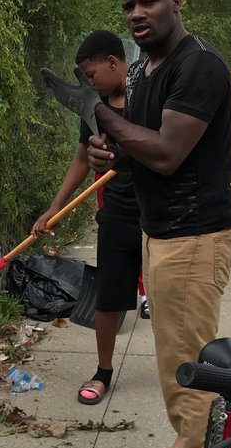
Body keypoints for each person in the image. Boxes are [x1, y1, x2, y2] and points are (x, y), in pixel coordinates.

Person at [87, 0, 231, 448]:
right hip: (164, 232)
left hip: (195, 236)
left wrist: (98, 112)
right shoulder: (150, 70)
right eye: (128, 7)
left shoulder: (197, 66)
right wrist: (112, 154)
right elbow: (144, 151)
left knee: (191, 368)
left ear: (176, 0)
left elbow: (170, 153)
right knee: (175, 362)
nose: (136, 14)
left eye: (148, 2)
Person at [33, 30, 146, 406]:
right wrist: (54, 207)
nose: (89, 83)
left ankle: (187, 369)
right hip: (116, 209)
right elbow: (81, 159)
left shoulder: (149, 94)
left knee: (173, 296)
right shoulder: (94, 107)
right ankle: (103, 371)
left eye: (91, 74)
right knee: (109, 295)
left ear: (113, 62)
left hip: (158, 209)